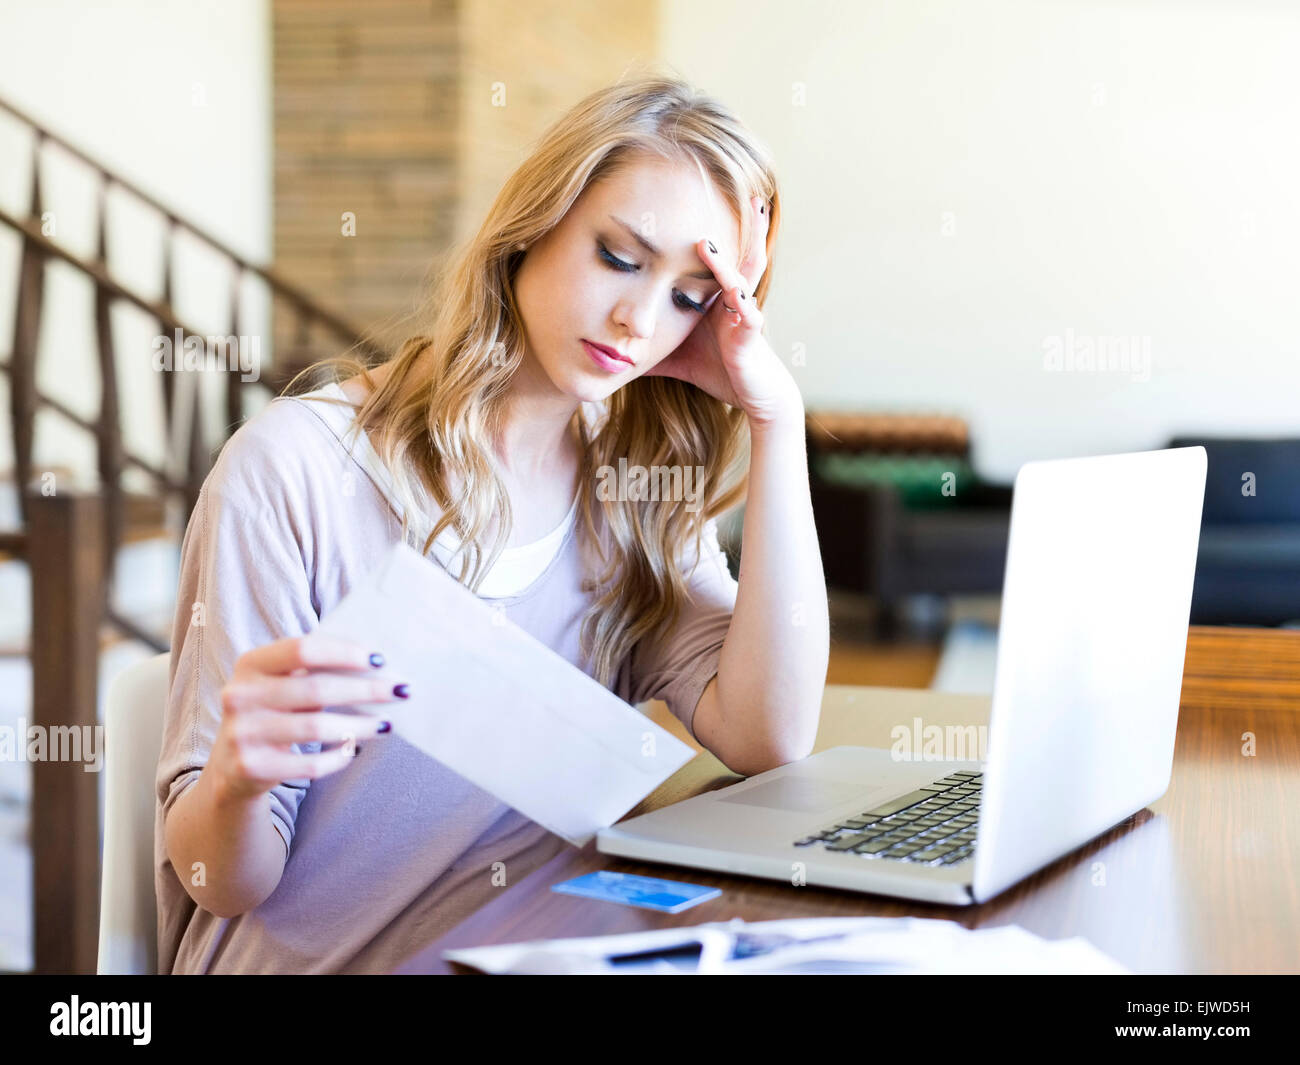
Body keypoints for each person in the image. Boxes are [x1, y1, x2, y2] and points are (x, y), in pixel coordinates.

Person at [154, 71, 829, 974]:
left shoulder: (635, 481)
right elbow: (221, 880)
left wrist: (776, 421)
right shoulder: (293, 470)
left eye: (689, 297)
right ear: (535, 225)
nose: (638, 319)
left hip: (535, 949)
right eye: (620, 257)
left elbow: (768, 734)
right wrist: (239, 775)